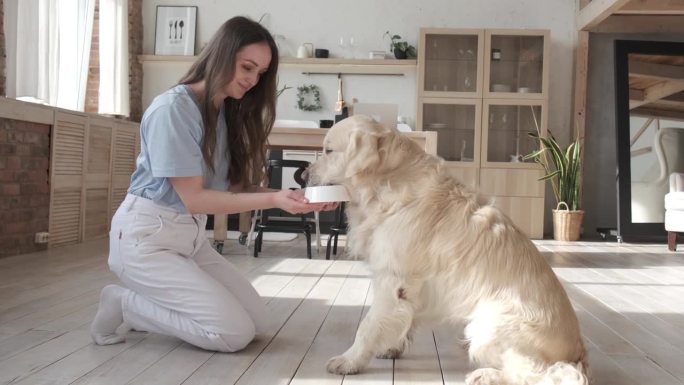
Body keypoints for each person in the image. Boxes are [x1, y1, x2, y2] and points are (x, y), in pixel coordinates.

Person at [90, 16, 334, 352]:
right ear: (221, 54)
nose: (252, 80)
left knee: (257, 323)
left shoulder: (225, 112)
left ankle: (153, 301)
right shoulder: (173, 110)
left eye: (260, 73)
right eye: (247, 67)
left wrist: (293, 197)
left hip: (188, 239)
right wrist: (274, 199)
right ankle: (124, 303)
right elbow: (194, 199)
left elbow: (234, 188)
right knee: (232, 335)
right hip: (146, 238)